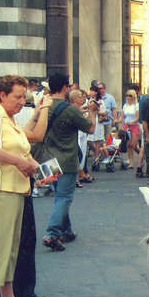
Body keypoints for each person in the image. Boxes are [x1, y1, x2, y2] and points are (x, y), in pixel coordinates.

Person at [0, 77, 51, 297]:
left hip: (18, 189)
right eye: (17, 97)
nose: (21, 102)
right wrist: (19, 162)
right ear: (2, 95)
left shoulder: (11, 120)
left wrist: (39, 168)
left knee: (11, 246)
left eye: (23, 97)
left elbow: (24, 152)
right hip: (2, 188)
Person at [41, 74, 98, 251]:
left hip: (47, 158)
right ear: (65, 88)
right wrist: (93, 112)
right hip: (66, 159)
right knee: (64, 198)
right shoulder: (70, 110)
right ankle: (52, 233)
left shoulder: (44, 107)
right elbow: (90, 128)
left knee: (59, 196)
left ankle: (67, 230)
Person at [122, 89, 142, 171]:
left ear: (133, 97)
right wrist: (117, 121)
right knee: (129, 145)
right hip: (127, 126)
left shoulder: (136, 105)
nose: (128, 97)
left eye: (130, 95)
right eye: (127, 95)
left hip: (135, 125)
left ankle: (141, 154)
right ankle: (131, 162)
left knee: (133, 144)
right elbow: (122, 116)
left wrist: (132, 122)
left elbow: (137, 117)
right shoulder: (125, 105)